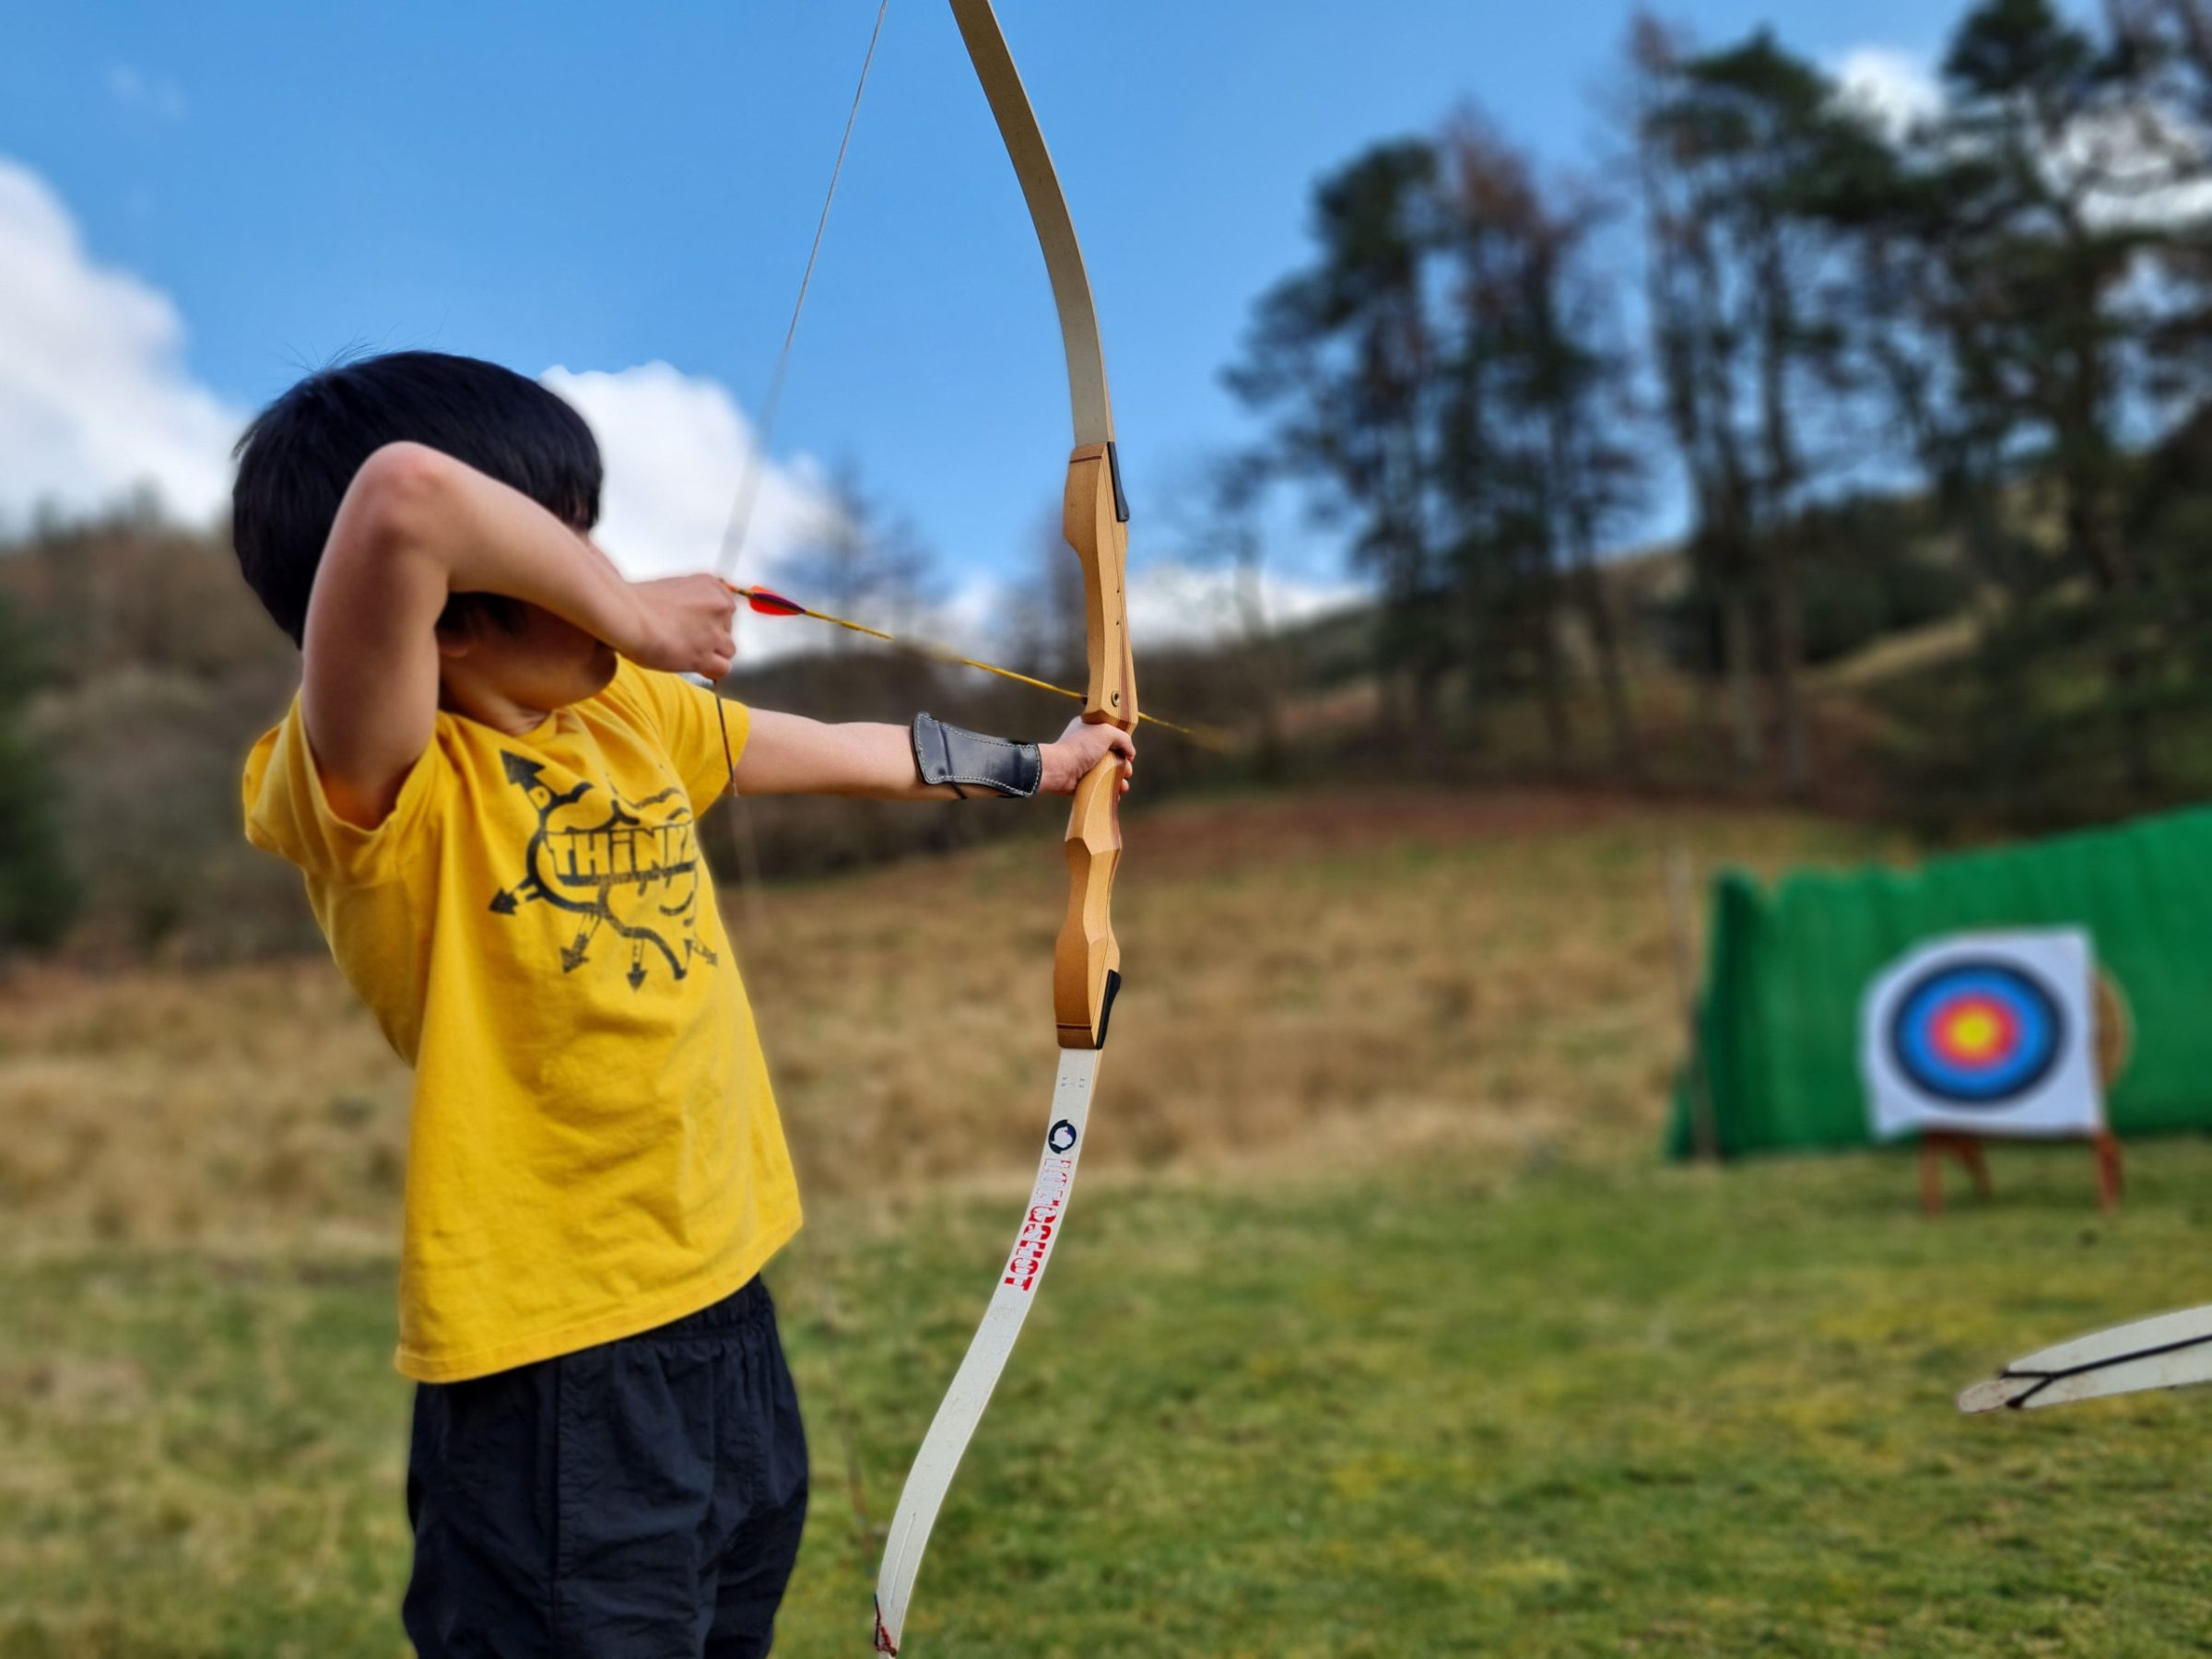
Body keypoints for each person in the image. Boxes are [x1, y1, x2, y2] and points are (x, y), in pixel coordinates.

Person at [229, 349, 1134, 1657]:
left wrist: (1039, 765)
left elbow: (835, 752)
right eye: (561, 547)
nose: (601, 570)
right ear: (450, 617)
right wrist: (635, 612)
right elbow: (405, 494)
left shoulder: (628, 720)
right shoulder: (380, 779)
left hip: (724, 1306)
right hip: (551, 1370)